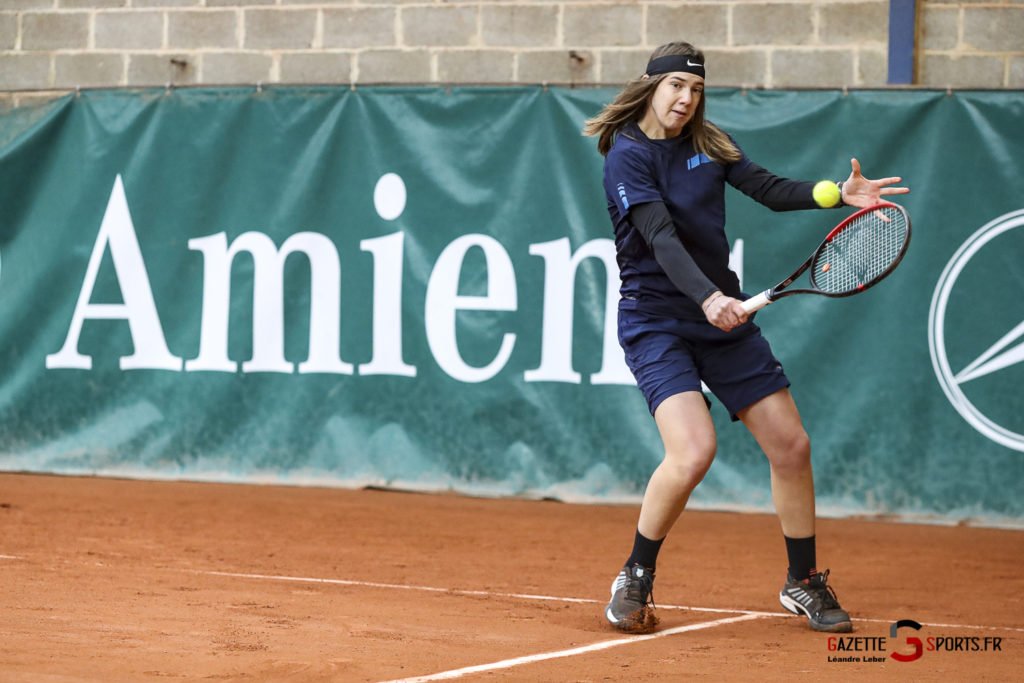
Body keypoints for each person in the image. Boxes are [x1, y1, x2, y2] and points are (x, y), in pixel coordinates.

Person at [582, 41, 909, 634]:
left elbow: (768, 188)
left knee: (792, 446)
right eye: (677, 85)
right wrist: (707, 298)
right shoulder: (626, 156)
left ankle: (803, 582)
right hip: (658, 319)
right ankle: (634, 575)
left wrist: (837, 193)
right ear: (652, 85)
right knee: (692, 452)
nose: (686, 99)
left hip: (722, 320)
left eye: (697, 89)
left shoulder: (711, 143)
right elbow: (659, 238)